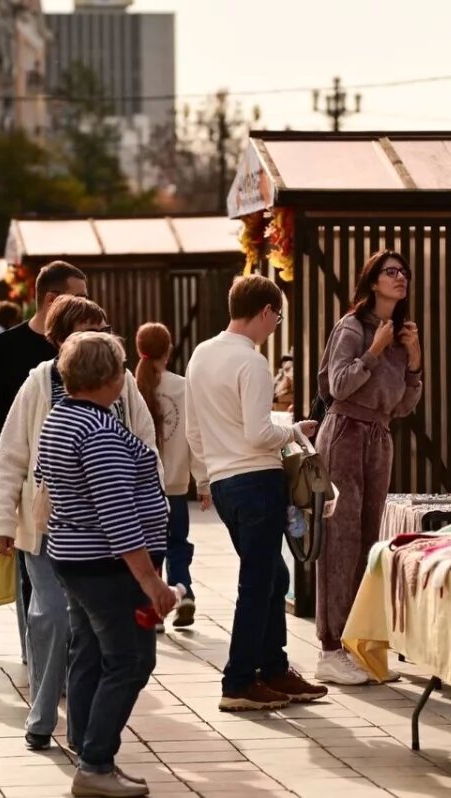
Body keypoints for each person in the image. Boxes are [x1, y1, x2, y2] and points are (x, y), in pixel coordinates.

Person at [0, 295, 158, 752]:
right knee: (53, 621)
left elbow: (147, 444)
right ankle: (46, 718)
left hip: (101, 541)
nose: (97, 335)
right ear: (59, 339)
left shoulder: (120, 385)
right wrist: (2, 518)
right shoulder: (40, 384)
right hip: (51, 528)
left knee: (84, 637)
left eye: (101, 327)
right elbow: (12, 455)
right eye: (87, 329)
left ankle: (82, 740)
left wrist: (151, 502)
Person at [33, 332, 172, 798]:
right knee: (130, 660)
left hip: (78, 560)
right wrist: (153, 583)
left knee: (94, 653)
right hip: (108, 567)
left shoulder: (62, 419)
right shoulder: (97, 432)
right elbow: (119, 518)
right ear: (110, 377)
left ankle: (95, 755)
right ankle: (94, 764)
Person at [185, 274, 327, 711]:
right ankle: (240, 679)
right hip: (257, 481)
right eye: (277, 317)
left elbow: (193, 431)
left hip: (225, 482)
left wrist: (206, 480)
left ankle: (275, 668)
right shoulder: (251, 362)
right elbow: (259, 431)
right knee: (258, 582)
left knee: (272, 578)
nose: (275, 326)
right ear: (265, 311)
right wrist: (295, 430)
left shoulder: (200, 355)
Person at [313, 249, 422, 685]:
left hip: (379, 436)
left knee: (368, 540)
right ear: (372, 281)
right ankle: (329, 647)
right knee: (339, 540)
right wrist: (374, 351)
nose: (400, 278)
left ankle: (359, 645)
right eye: (390, 272)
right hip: (344, 432)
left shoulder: (402, 335)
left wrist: (413, 363)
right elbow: (337, 385)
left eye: (404, 272)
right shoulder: (352, 327)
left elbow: (406, 406)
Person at [0, 261, 87, 657]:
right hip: (21, 478)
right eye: (80, 299)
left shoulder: (86, 351)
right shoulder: (6, 348)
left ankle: (63, 653)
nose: (87, 309)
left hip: (73, 484)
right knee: (29, 572)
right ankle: (36, 654)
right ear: (53, 299)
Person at [134, 322, 206, 630]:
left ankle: (154, 609)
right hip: (175, 487)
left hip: (140, 488)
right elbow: (195, 436)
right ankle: (183, 591)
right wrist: (203, 481)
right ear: (169, 350)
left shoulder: (130, 388)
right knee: (177, 543)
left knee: (149, 549)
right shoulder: (183, 386)